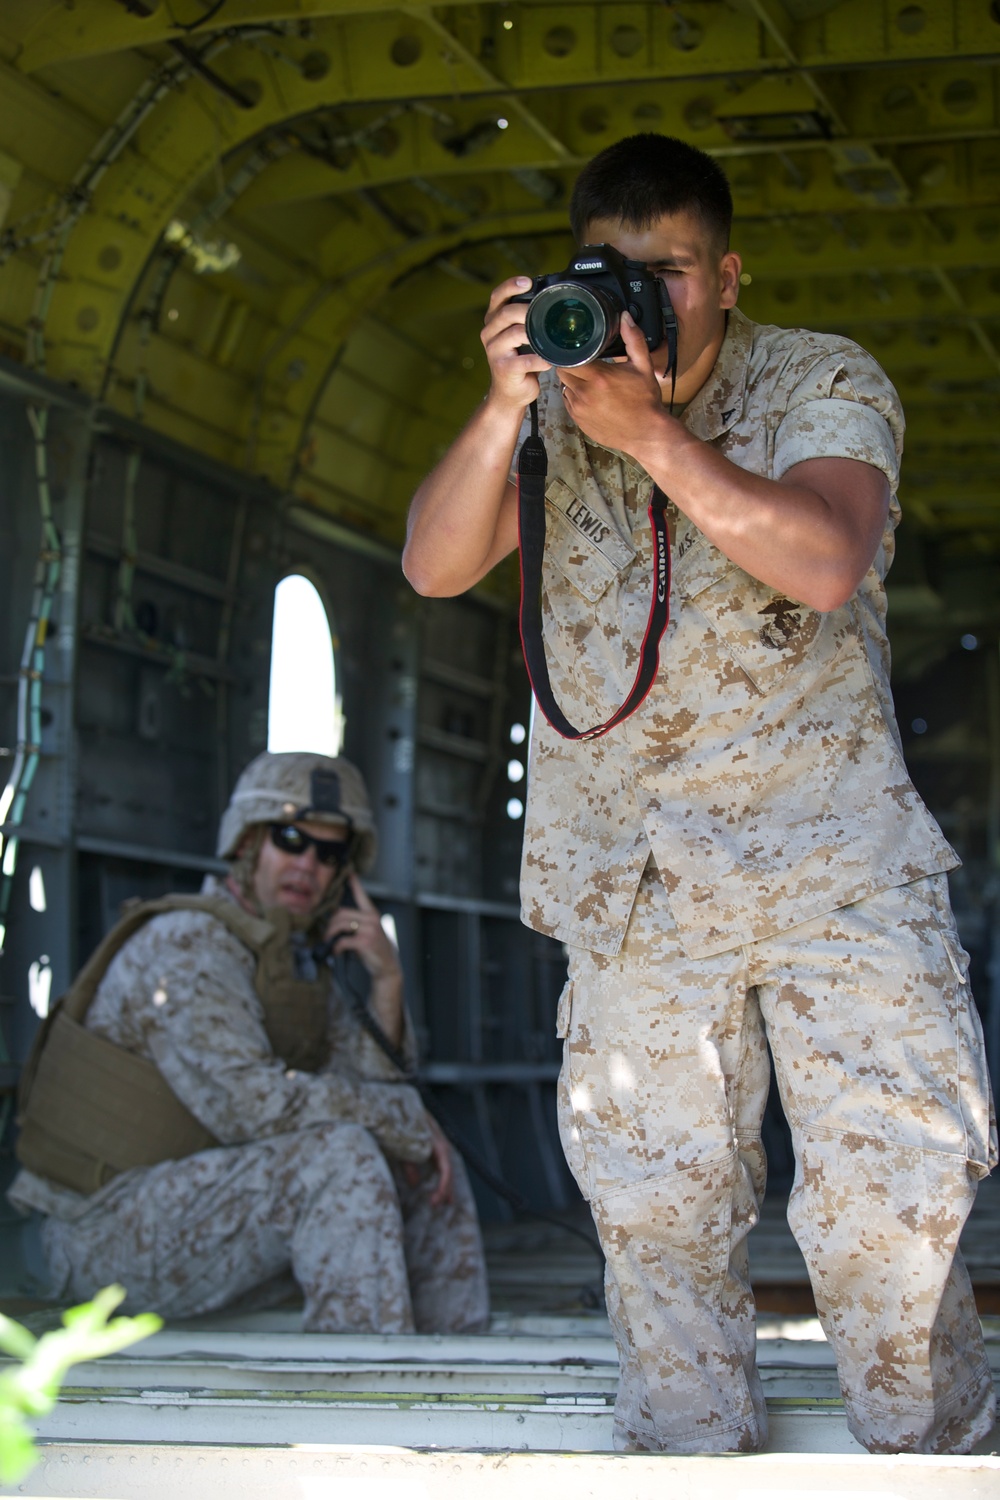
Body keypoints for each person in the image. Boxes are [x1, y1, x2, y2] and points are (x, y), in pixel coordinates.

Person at [402, 133, 997, 1454]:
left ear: (727, 274)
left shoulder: (819, 379)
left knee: (890, 1206)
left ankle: (937, 1455)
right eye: (611, 274)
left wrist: (655, 439)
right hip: (635, 884)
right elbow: (436, 564)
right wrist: (507, 405)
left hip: (834, 868)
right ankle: (687, 1455)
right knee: (657, 1218)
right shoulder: (555, 401)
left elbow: (828, 557)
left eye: (667, 273)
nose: (639, 305)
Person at [9, 751, 489, 1335]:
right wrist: (407, 1121)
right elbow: (250, 1107)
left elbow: (371, 1101)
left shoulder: (291, 959)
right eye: (290, 839)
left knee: (426, 1160)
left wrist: (387, 983)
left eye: (329, 852)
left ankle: (449, 1369)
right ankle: (362, 1397)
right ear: (246, 844)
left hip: (195, 1213)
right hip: (94, 1231)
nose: (308, 864)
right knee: (344, 1158)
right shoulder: (189, 945)